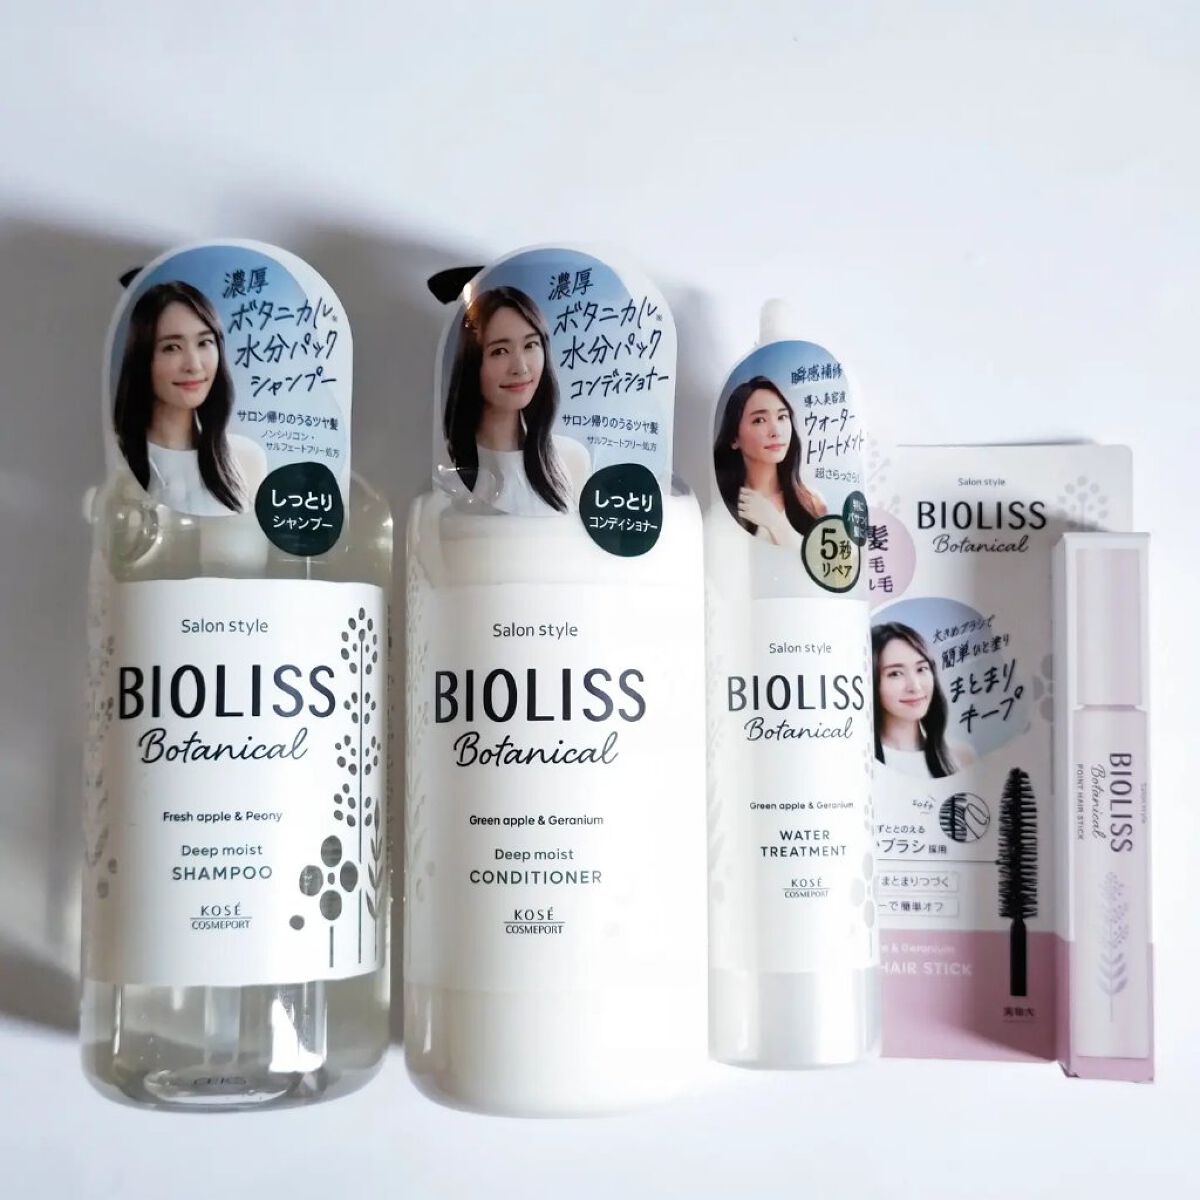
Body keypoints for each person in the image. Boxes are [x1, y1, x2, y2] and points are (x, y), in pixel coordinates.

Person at [113, 281, 265, 516]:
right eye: (172, 347)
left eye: (204, 343)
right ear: (142, 357)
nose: (193, 365)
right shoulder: (119, 461)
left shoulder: (246, 458)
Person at [443, 285, 589, 515]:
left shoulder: (572, 458)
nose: (520, 368)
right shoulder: (449, 467)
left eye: (530, 345)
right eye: (500, 351)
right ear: (472, 363)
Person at [713, 376, 826, 547]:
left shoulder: (811, 501)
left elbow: (822, 562)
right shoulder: (723, 508)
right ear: (734, 438)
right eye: (759, 420)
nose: (776, 431)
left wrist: (775, 523)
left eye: (782, 417)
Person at [872, 621, 976, 779]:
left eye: (921, 669)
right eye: (895, 673)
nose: (915, 686)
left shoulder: (961, 756)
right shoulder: (861, 759)